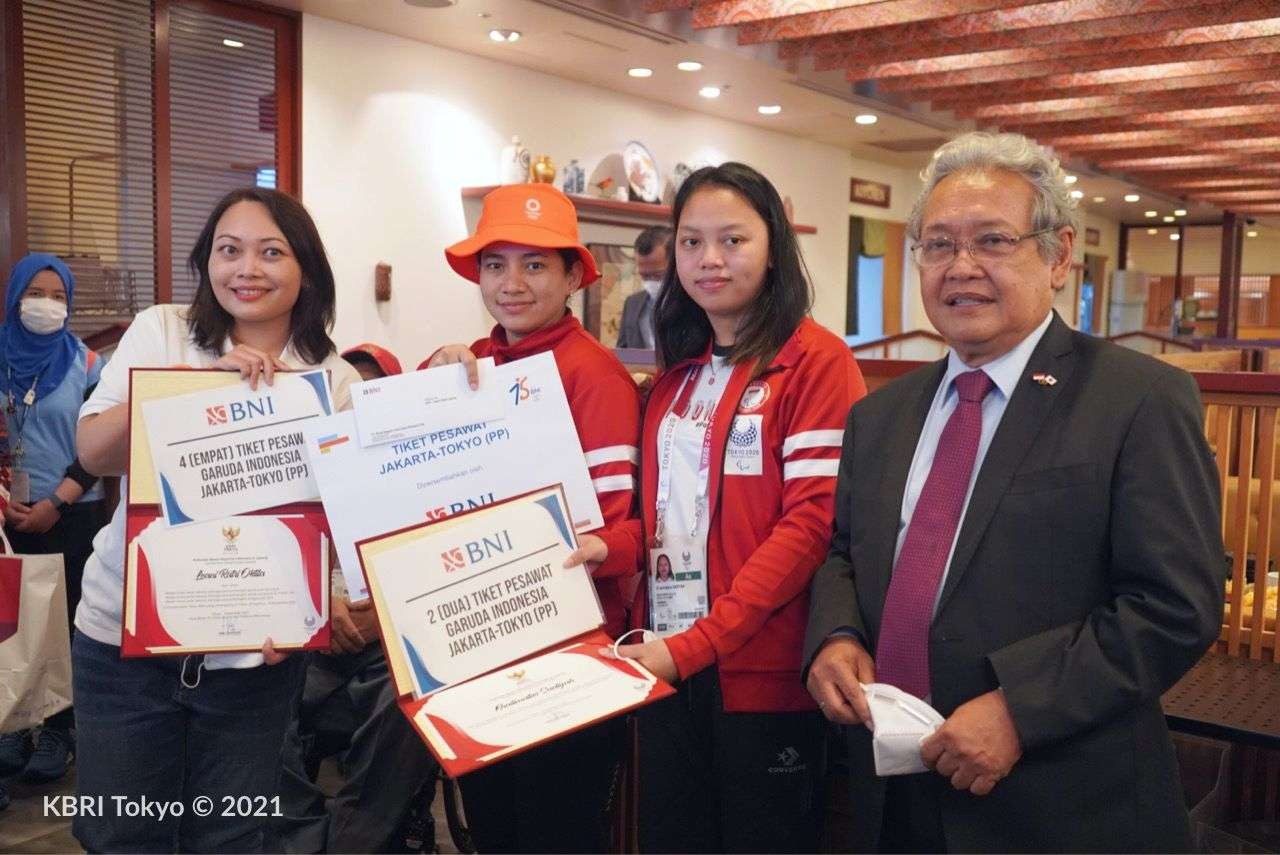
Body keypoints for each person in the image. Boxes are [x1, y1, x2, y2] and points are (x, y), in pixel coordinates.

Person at [804, 132, 1223, 853]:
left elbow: (1175, 604)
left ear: (1059, 255)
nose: (960, 267)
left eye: (992, 240)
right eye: (937, 245)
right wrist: (835, 635)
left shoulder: (1138, 397)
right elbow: (846, 551)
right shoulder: (881, 414)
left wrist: (1019, 712)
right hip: (894, 790)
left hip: (1059, 804)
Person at [572, 161, 867, 852]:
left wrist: (694, 646)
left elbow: (809, 527)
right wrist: (606, 548)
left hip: (761, 675)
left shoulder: (817, 362)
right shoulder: (678, 377)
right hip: (666, 664)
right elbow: (674, 520)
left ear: (774, 248)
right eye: (691, 241)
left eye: (733, 240)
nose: (709, 259)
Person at [73, 187, 360, 853]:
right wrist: (189, 391)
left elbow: (341, 519)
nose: (246, 268)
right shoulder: (162, 330)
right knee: (121, 835)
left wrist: (311, 612)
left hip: (255, 655)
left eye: (271, 252)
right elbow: (93, 450)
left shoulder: (333, 380)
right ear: (206, 262)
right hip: (123, 639)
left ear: (306, 269)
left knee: (231, 834)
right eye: (228, 251)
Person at [427, 182, 641, 853]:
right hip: (476, 646)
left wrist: (594, 546)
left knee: (559, 834)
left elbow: (620, 525)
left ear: (575, 274)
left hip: (569, 655)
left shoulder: (595, 373)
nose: (510, 283)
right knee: (493, 831)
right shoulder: (470, 364)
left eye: (535, 264)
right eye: (495, 264)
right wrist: (426, 388)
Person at [273, 340, 440, 855]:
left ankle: (350, 842)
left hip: (386, 643)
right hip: (306, 637)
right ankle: (302, 837)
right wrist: (322, 599)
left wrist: (383, 614)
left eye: (371, 394)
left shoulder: (420, 473)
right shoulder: (293, 470)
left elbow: (438, 567)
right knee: (249, 701)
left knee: (411, 702)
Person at [0, 254, 105, 785]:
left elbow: (100, 448)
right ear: (16, 296)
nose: (48, 304)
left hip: (70, 515)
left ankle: (61, 729)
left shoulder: (87, 365)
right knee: (10, 626)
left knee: (64, 624)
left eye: (59, 296)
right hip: (2, 518)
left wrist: (56, 503)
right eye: (37, 293)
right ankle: (13, 723)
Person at [616, 226, 672, 349]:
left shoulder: (695, 303)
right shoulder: (632, 303)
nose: (651, 281)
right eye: (644, 275)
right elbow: (622, 350)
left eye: (658, 275)